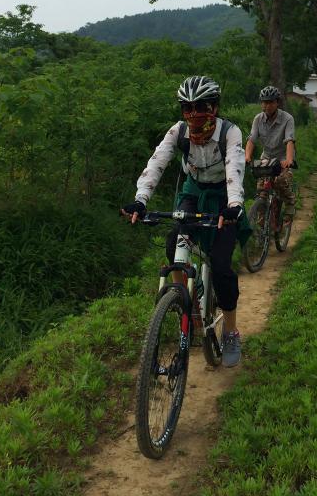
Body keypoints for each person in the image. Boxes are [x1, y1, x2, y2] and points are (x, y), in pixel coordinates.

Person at [121, 75, 247, 367]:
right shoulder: (178, 132)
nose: (193, 114)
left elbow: (235, 169)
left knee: (221, 265)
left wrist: (234, 205)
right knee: (173, 244)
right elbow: (157, 162)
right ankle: (184, 304)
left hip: (223, 197)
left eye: (200, 106)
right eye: (187, 108)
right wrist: (141, 200)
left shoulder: (230, 132)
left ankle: (230, 331)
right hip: (193, 192)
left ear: (214, 107)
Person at [245, 86, 296, 234]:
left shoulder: (287, 119)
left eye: (270, 102)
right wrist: (247, 156)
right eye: (264, 102)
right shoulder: (258, 119)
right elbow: (252, 140)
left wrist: (289, 160)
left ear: (277, 103)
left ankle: (290, 203)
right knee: (262, 189)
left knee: (281, 181)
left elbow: (289, 141)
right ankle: (262, 230)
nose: (266, 105)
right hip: (266, 157)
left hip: (283, 157)